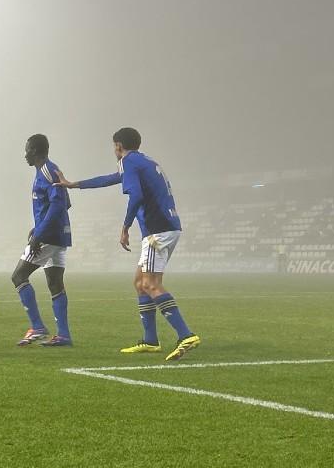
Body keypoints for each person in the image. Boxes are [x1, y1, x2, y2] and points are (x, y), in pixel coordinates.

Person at [57, 127, 200, 361]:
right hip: (166, 226)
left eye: (114, 146)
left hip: (157, 230)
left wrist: (125, 227)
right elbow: (111, 179)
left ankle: (186, 334)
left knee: (151, 284)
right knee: (140, 283)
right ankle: (151, 340)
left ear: (118, 146)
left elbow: (136, 195)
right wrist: (74, 185)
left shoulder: (128, 161)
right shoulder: (143, 161)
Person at [12, 135, 73, 347]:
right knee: (55, 283)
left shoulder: (47, 171)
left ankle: (37, 327)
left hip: (49, 236)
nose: (25, 154)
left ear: (36, 151)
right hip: (58, 234)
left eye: (27, 150)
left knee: (18, 276)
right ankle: (64, 335)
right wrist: (37, 227)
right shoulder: (46, 171)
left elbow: (59, 205)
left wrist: (39, 234)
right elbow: (66, 202)